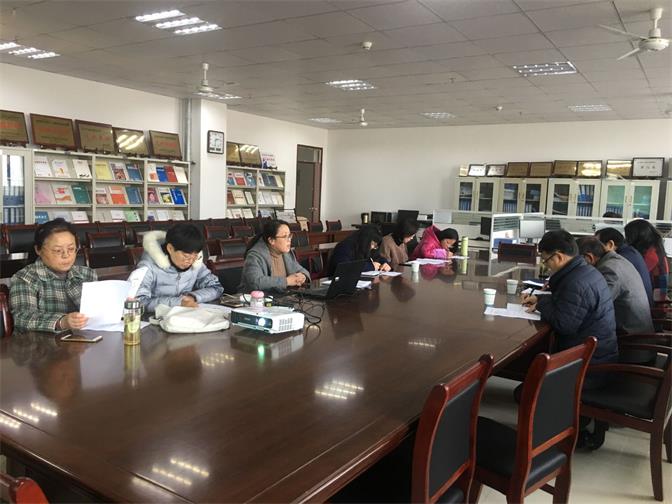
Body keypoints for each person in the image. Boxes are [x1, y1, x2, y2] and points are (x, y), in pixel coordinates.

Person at [521, 230, 617, 368]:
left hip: (588, 365)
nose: (546, 266)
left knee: (528, 371)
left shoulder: (576, 283)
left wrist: (541, 303)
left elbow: (564, 325)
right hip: (596, 354)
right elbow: (568, 303)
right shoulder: (584, 271)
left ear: (559, 257)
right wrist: (539, 298)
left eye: (545, 260)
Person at [10, 218, 97, 333]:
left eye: (71, 249)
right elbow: (23, 318)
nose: (66, 255)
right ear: (38, 250)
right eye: (58, 250)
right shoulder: (25, 278)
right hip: (40, 343)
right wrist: (61, 322)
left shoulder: (87, 274)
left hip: (84, 339)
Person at [134, 223, 223, 313]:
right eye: (186, 256)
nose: (190, 261)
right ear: (170, 248)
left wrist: (193, 297)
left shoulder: (196, 263)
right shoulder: (148, 267)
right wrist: (179, 302)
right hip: (155, 317)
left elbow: (216, 288)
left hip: (186, 315)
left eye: (195, 255)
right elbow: (138, 302)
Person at [578, 237, 654, 336]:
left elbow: (597, 305)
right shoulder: (618, 260)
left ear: (589, 257)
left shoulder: (609, 269)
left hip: (630, 336)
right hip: (637, 329)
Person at [240, 220, 310, 293]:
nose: (289, 240)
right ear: (271, 240)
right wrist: (287, 281)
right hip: (255, 298)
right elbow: (255, 282)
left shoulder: (286, 253)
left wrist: (303, 276)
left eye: (289, 236)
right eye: (284, 236)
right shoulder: (255, 256)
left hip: (281, 296)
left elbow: (301, 270)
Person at [594, 227, 653, 306]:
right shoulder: (630, 252)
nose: (593, 249)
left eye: (596, 246)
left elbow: (601, 300)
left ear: (610, 244)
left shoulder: (617, 262)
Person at [624, 219, 669, 300]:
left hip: (654, 300)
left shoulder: (652, 254)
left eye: (628, 236)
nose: (626, 239)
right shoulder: (655, 247)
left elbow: (634, 274)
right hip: (653, 295)